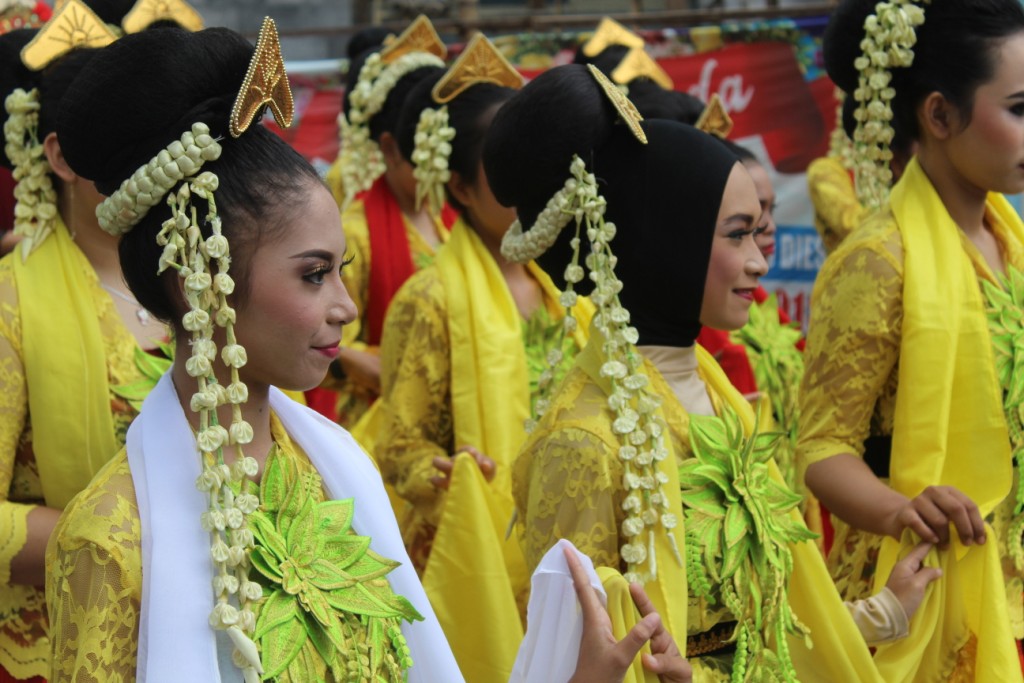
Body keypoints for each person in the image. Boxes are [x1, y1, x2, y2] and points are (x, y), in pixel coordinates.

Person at [43, 22, 692, 683]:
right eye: (313, 273)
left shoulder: (338, 473)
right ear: (201, 283)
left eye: (342, 270)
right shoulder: (111, 537)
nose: (347, 308)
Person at [484, 62, 939, 682]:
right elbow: (582, 666)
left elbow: (762, 627)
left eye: (759, 233)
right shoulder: (585, 442)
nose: (759, 262)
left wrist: (881, 614)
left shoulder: (718, 396)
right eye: (737, 235)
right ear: (663, 241)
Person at [798, 0, 1024, 679]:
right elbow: (821, 445)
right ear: (939, 115)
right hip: (927, 588)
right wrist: (905, 508)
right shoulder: (877, 259)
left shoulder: (1010, 243)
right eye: (1019, 108)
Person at [375, 33, 591, 681]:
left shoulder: (566, 285)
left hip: (564, 530)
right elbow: (397, 446)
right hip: (475, 548)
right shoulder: (429, 298)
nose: (530, 188)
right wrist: (445, 471)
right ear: (462, 189)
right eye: (506, 175)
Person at [0, 0, 198, 676]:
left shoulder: (196, 276)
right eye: (121, 132)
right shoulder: (9, 305)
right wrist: (130, 541)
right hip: (60, 644)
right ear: (57, 152)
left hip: (201, 623)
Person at [318, 15, 458, 428]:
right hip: (383, 422)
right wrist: (382, 367)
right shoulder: (356, 234)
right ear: (390, 149)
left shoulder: (453, 216)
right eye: (427, 160)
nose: (441, 174)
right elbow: (324, 340)